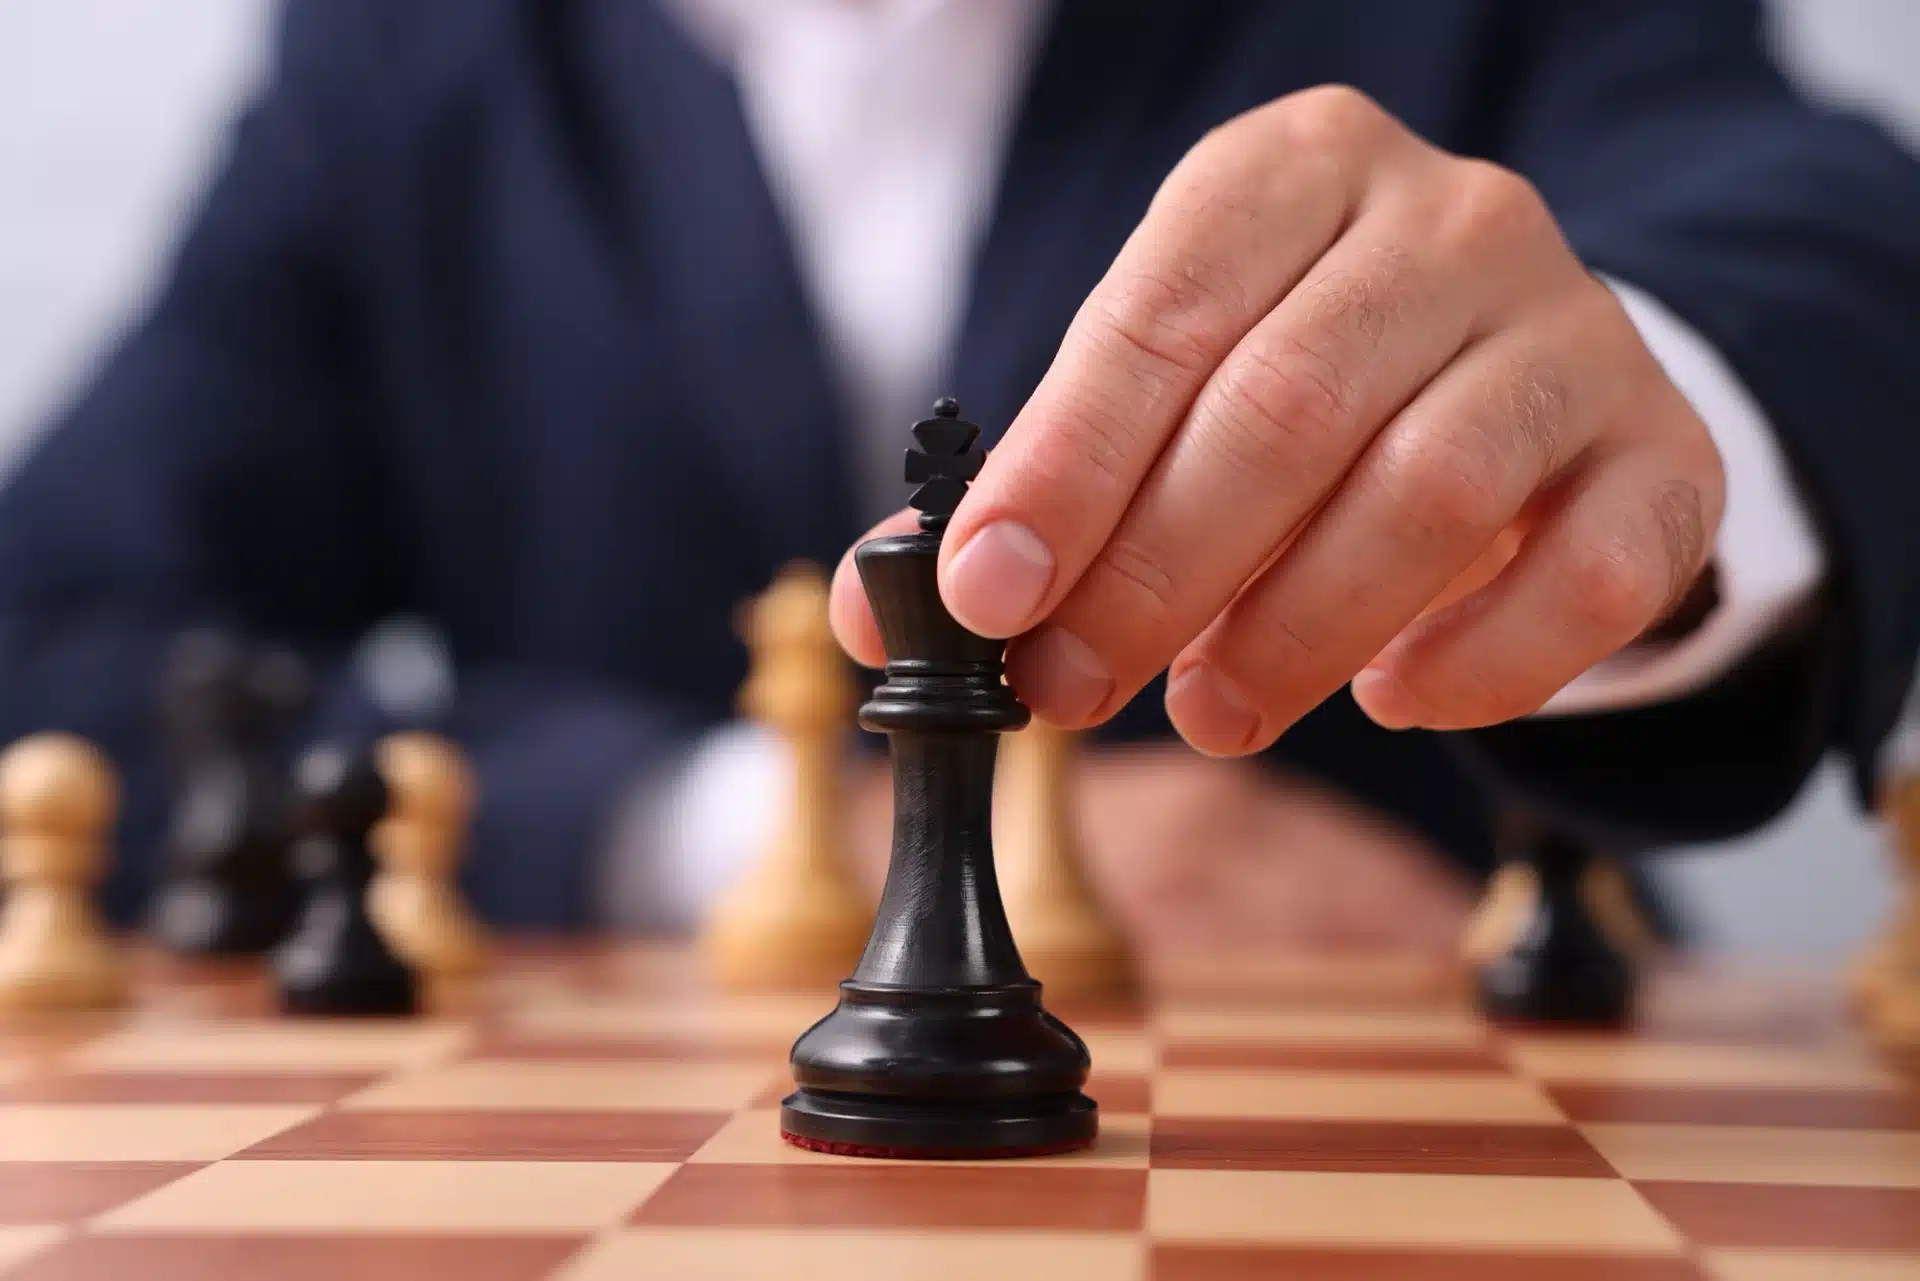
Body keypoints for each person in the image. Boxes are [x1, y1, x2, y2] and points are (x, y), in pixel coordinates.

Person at [2, 0, 1917, 942]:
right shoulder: (411, 56)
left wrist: (1632, 430)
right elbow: (52, 642)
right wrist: (759, 834)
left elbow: (1834, 240)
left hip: (1443, 1107)